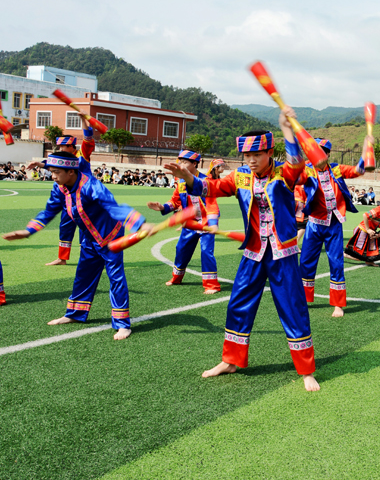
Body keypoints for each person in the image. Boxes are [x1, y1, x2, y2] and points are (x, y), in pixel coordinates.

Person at [164, 108, 320, 390]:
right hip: (253, 252)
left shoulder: (284, 174)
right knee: (238, 304)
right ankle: (231, 360)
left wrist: (287, 128)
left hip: (282, 253)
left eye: (256, 155)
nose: (250, 160)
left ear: (269, 153)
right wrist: (187, 177)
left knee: (293, 308)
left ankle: (306, 369)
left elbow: (297, 161)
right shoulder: (240, 177)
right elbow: (208, 187)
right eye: (246, 156)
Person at [3, 152, 152, 340]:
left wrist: (139, 223)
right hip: (89, 239)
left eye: (56, 172)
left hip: (110, 238)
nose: (53, 176)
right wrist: (29, 231)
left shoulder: (91, 186)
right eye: (51, 172)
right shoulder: (60, 188)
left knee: (116, 278)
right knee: (83, 275)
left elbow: (113, 207)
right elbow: (49, 211)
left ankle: (122, 324)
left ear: (71, 172)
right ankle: (74, 314)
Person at [297, 135, 373, 317]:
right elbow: (296, 187)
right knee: (306, 263)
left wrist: (366, 147)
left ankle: (338, 305)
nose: (317, 155)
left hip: (334, 224)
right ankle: (303, 301)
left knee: (336, 263)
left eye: (322, 152)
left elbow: (359, 170)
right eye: (314, 151)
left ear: (328, 154)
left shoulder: (336, 170)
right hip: (314, 225)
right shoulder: (306, 171)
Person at [147, 150, 221, 294]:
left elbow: (212, 204)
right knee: (181, 250)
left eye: (184, 162)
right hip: (189, 224)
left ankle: (212, 285)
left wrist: (213, 222)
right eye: (180, 161)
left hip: (206, 224)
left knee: (206, 252)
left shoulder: (206, 181)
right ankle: (177, 278)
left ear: (194, 164)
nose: (180, 164)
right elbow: (175, 202)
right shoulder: (181, 182)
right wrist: (162, 207)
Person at [27, 124, 96, 266]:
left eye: (62, 147)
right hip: (67, 199)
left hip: (83, 199)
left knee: (86, 231)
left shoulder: (82, 155)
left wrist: (84, 121)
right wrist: (39, 164)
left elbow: (88, 140)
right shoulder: (62, 158)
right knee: (65, 227)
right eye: (59, 147)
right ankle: (62, 258)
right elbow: (52, 164)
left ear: (71, 147)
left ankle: (88, 260)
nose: (60, 150)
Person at [345, 192, 380, 266]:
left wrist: (378, 236)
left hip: (371, 233)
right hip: (363, 230)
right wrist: (368, 229)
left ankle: (369, 261)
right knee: (358, 256)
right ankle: (341, 254)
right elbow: (365, 215)